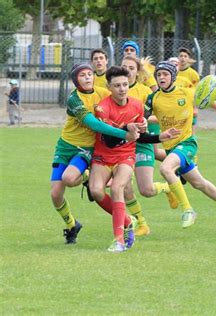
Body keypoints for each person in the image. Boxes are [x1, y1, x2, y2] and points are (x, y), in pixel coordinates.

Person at [88, 66, 179, 252]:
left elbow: (138, 136)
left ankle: (119, 240)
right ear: (109, 87)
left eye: (124, 84)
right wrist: (126, 127)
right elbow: (110, 139)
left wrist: (159, 137)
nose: (122, 88)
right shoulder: (102, 108)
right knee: (96, 191)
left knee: (117, 188)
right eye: (117, 85)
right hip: (103, 155)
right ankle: (128, 221)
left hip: (126, 156)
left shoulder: (137, 105)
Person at [50, 63, 138, 245]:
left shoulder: (103, 93)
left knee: (68, 178)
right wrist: (125, 134)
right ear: (76, 81)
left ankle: (87, 175)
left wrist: (138, 122)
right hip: (65, 146)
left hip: (86, 148)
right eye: (82, 75)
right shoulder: (74, 99)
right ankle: (72, 225)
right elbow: (94, 124)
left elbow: (123, 102)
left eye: (90, 74)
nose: (88, 77)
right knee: (55, 194)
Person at [146, 61, 216, 228]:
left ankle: (188, 210)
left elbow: (208, 99)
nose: (161, 77)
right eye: (158, 75)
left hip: (187, 143)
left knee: (165, 169)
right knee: (198, 183)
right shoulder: (153, 98)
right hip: (170, 147)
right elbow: (145, 117)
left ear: (173, 76)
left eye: (165, 74)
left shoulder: (186, 92)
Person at [121, 56, 179, 237]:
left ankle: (167, 188)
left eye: (131, 67)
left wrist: (144, 122)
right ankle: (142, 224)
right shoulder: (114, 90)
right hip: (122, 144)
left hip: (142, 142)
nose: (127, 70)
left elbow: (159, 113)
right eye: (124, 67)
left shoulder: (145, 92)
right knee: (123, 187)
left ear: (138, 72)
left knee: (146, 190)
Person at [177, 48, 200, 134]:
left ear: (188, 59)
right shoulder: (174, 71)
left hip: (189, 106)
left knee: (190, 132)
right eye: (181, 56)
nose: (183, 58)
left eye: (185, 56)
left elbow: (197, 93)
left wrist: (196, 108)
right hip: (177, 105)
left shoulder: (193, 74)